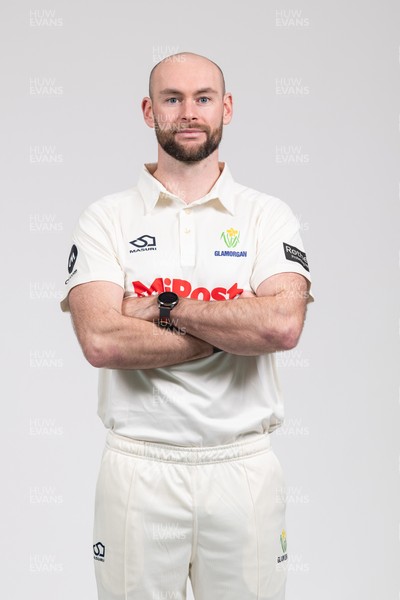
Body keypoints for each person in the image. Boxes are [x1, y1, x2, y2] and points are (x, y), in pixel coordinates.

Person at [61, 51, 313, 600]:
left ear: (226, 107)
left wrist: (162, 306)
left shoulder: (268, 215)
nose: (189, 112)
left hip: (242, 467)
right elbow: (102, 340)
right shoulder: (106, 217)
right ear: (149, 111)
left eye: (203, 98)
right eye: (173, 99)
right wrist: (233, 324)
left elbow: (281, 327)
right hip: (139, 467)